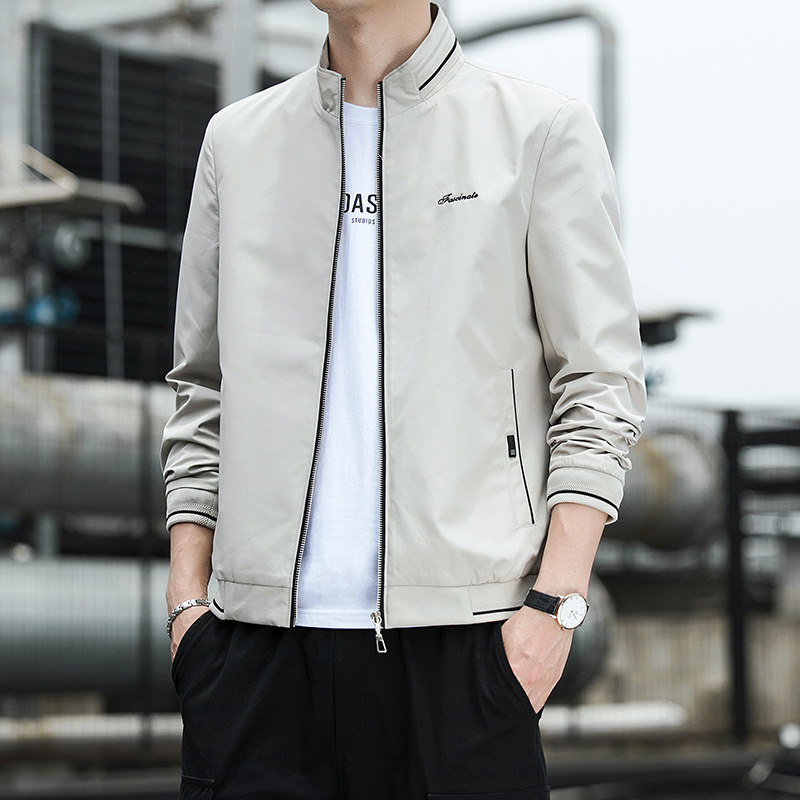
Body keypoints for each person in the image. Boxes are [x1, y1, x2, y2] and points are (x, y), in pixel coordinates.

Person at [161, 0, 646, 797]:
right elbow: (201, 386)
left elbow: (599, 380)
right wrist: (188, 602)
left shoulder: (537, 131)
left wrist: (554, 607)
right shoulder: (237, 142)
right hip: (254, 655)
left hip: (466, 650)